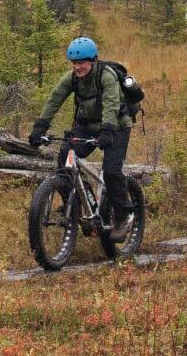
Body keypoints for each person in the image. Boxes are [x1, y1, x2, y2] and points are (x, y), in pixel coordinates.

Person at [29, 36, 135, 241]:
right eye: (74, 63)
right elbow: (54, 99)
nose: (77, 67)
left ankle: (124, 216)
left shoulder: (106, 76)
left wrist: (107, 132)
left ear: (93, 60)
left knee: (112, 171)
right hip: (87, 126)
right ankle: (74, 204)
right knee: (65, 156)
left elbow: (112, 104)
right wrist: (39, 127)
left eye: (82, 62)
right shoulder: (71, 78)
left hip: (116, 127)